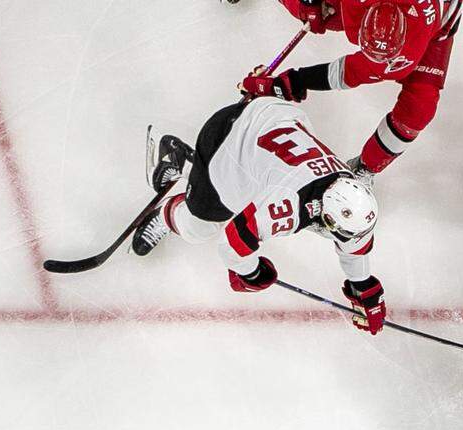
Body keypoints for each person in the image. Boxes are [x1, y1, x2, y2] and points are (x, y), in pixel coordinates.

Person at [131, 96, 386, 335]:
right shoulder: (289, 204)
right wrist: (251, 274)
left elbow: (355, 245)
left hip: (275, 116)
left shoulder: (350, 194)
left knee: (255, 182)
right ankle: (169, 206)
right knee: (201, 227)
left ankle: (193, 172)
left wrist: (364, 288)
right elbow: (232, 244)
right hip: (227, 139)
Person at [239, 0, 462, 177]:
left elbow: (350, 72)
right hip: (378, 14)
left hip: (434, 29)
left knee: (419, 108)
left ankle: (364, 170)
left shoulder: (407, 50)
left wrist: (294, 82)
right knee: (308, 10)